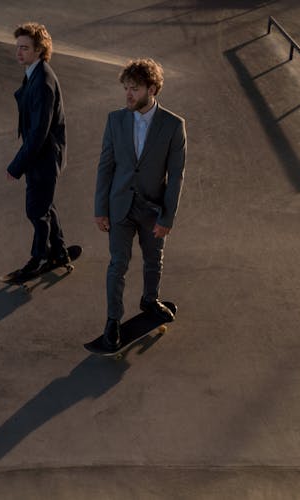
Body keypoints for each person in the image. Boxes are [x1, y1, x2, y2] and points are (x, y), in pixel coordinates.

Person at [94, 58, 186, 349]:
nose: (128, 95)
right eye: (126, 89)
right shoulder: (115, 120)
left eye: (134, 89)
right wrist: (100, 209)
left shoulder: (173, 126)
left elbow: (176, 176)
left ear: (152, 89)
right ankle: (112, 321)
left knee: (152, 260)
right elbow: (105, 166)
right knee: (117, 265)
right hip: (119, 206)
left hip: (153, 210)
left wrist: (167, 218)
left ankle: (150, 300)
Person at [6, 22, 70, 279]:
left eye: (25, 48)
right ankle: (59, 252)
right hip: (40, 155)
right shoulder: (34, 72)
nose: (19, 52)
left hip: (44, 156)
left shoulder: (43, 80)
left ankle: (39, 258)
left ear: (39, 50)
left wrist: (16, 166)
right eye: (18, 47)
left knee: (36, 210)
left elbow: (39, 133)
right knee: (45, 205)